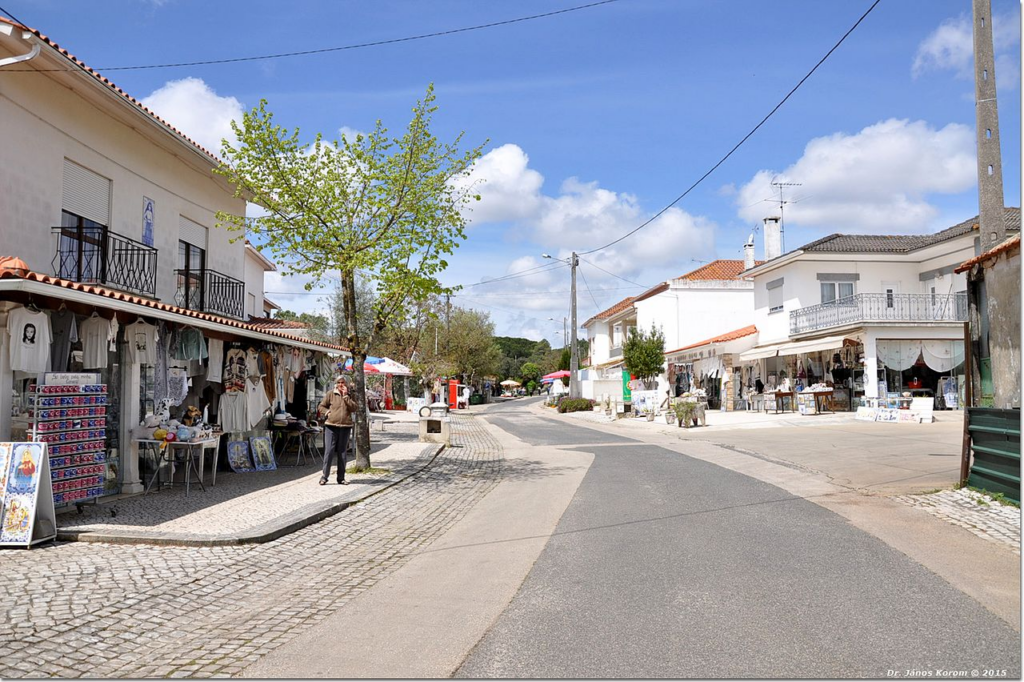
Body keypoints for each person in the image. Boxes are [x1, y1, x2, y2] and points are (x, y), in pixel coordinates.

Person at [316, 376, 358, 485]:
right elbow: (321, 406)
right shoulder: (330, 394)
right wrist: (327, 412)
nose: (341, 384)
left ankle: (341, 478)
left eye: (343, 382)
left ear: (346, 384)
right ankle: (324, 477)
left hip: (345, 426)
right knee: (329, 451)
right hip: (331, 426)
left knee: (342, 452)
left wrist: (346, 396)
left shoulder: (351, 395)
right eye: (339, 382)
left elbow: (354, 408)